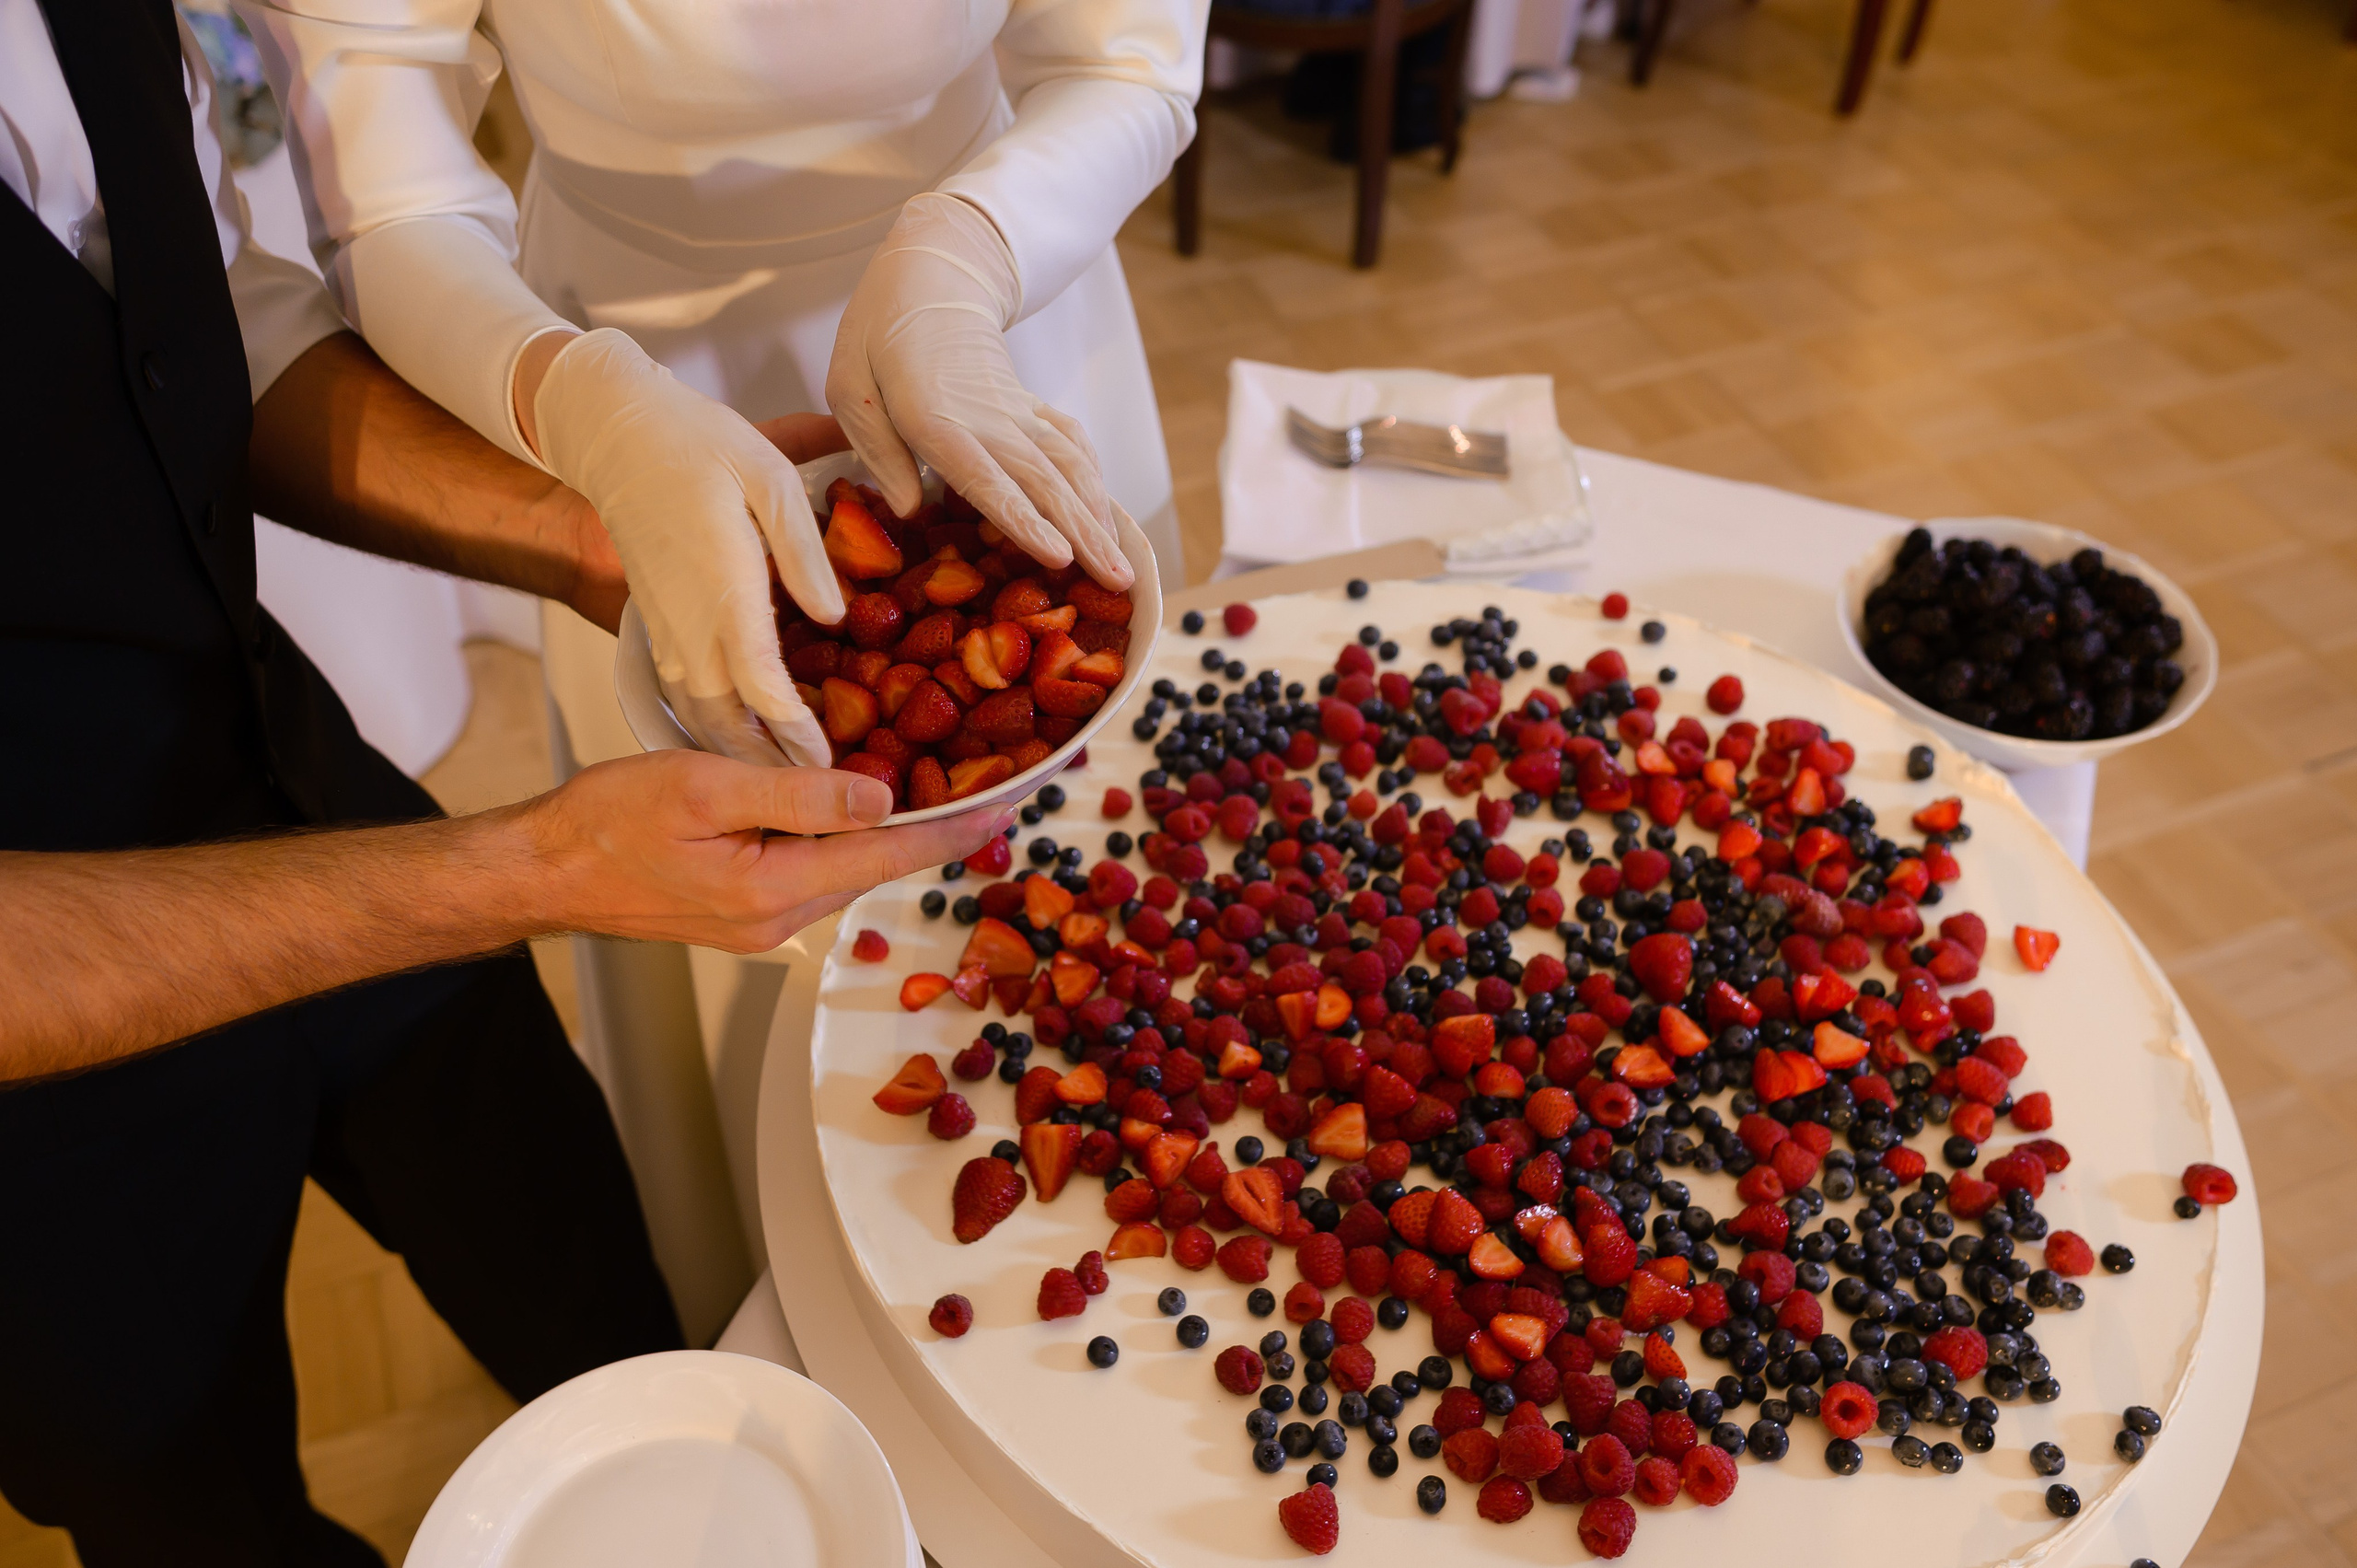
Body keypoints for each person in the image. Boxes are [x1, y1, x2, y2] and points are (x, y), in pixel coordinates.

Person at [0, 2, 1005, 1562]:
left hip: (277, 760)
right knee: (197, 1510)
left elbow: (177, 330)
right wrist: (529, 869)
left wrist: (596, 531)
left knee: (606, 1297)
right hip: (38, 1098)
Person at [241, 0, 1202, 767]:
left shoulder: (990, 254)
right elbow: (389, 203)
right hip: (622, 343)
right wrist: (581, 405)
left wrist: (973, 250)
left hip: (1006, 279)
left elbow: (1124, 60)